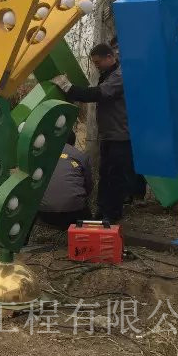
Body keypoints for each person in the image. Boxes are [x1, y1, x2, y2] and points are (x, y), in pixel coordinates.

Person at [52, 40, 134, 223]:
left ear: (110, 57)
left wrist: (69, 88)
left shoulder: (120, 76)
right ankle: (104, 211)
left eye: (98, 62)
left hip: (120, 135)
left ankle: (112, 214)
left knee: (115, 175)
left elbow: (97, 94)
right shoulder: (108, 74)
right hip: (109, 134)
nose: (96, 67)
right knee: (106, 174)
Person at [32, 131, 92, 233]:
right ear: (73, 143)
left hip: (44, 213)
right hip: (74, 212)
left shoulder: (42, 155)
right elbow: (88, 185)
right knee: (89, 219)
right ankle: (83, 242)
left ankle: (23, 242)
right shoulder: (80, 156)